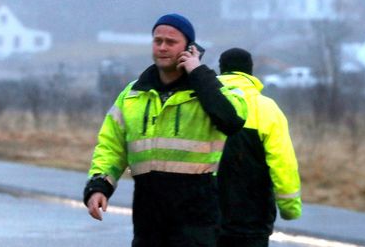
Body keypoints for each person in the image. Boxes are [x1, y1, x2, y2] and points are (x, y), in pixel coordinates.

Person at [83, 14, 247, 247]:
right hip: (149, 218)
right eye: (157, 41)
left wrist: (198, 73)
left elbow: (232, 119)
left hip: (196, 219)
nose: (162, 47)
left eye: (170, 42)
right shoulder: (133, 94)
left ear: (189, 48)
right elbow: (112, 145)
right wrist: (100, 185)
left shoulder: (207, 89)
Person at [216, 48, 301, 247]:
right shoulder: (267, 109)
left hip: (206, 217)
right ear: (250, 72)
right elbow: (283, 162)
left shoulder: (203, 103)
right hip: (251, 219)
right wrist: (290, 208)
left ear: (221, 70)